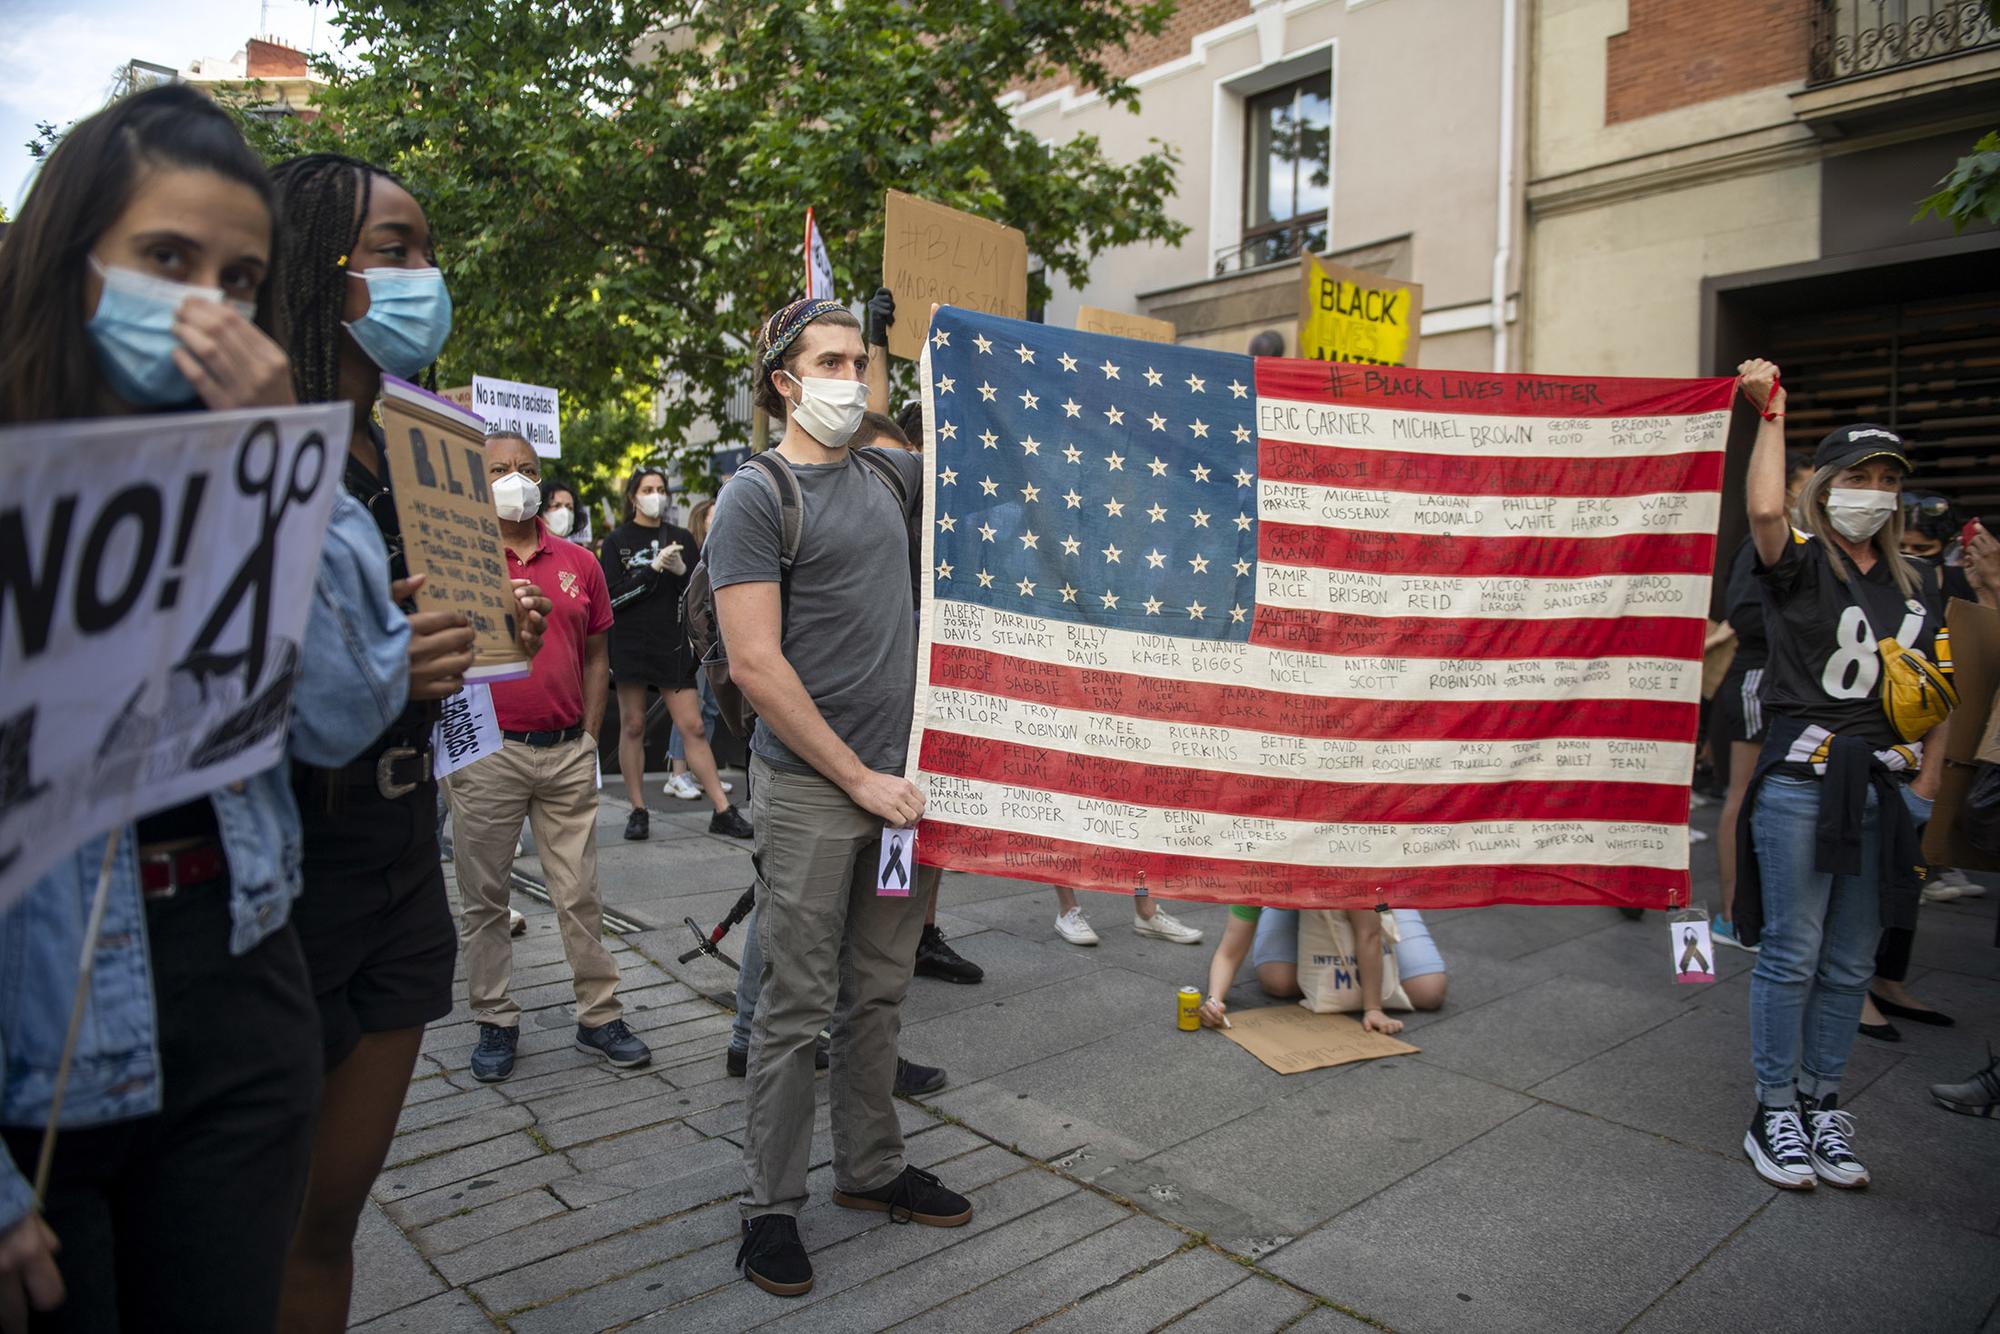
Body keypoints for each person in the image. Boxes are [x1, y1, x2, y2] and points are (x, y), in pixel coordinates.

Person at [0, 86, 415, 1330]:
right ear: (70, 260)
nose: (206, 306)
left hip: (236, 979)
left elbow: (343, 707)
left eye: (239, 280)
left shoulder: (246, 469)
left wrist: (277, 457)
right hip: (39, 1031)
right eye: (166, 260)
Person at [266, 150, 551, 1332]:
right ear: (312, 265)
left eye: (427, 248)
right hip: (289, 865)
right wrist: (362, 653)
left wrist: (496, 623)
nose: (424, 273)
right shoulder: (256, 452)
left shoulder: (423, 444)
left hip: (401, 842)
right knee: (259, 1221)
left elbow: (448, 629)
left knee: (327, 1220)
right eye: (395, 249)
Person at [708, 297, 971, 1298]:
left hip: (899, 795)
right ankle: (770, 1206)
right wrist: (858, 777)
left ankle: (870, 1168)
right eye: (829, 362)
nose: (851, 380)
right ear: (784, 382)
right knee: (794, 1006)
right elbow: (753, 663)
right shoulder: (756, 496)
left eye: (860, 361)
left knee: (880, 990)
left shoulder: (890, 475)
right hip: (816, 793)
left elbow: (992, 471)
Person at [1735, 360, 1952, 1192]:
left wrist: (1925, 790)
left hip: (1883, 790)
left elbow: (1939, 696)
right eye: (1858, 477)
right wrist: (1772, 413)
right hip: (1802, 784)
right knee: (1794, 952)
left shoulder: (1918, 583)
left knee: (1852, 962)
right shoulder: (1798, 561)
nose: (1875, 492)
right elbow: (1764, 509)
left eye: (1888, 481)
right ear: (1825, 487)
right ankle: (1773, 1111)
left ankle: (1822, 1102)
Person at [444, 431, 652, 1083]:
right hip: (488, 754)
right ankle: (495, 1018)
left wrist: (588, 735)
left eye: (527, 469)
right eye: (499, 469)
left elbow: (597, 654)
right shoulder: (458, 557)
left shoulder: (579, 561)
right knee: (484, 895)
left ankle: (599, 1015)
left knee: (580, 892)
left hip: (565, 752)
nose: (516, 479)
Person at [601, 467, 752, 841]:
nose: (656, 495)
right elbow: (613, 598)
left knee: (693, 725)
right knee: (633, 724)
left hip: (672, 644)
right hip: (631, 644)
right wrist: (651, 572)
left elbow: (698, 589)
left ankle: (722, 809)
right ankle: (638, 809)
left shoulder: (681, 537)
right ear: (633, 496)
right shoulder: (617, 541)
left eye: (661, 488)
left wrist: (683, 570)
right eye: (648, 489)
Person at [1709, 451, 1815, 951]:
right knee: (1743, 797)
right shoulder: (1762, 545)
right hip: (1757, 680)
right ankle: (1733, 916)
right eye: (1806, 487)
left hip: (1783, 686)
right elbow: (1746, 616)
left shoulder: (1807, 546)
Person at [1196, 907, 1449, 1033]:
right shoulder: (1261, 866)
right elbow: (1230, 950)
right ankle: (1285, 913)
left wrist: (1373, 1008)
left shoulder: (1348, 847)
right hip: (1294, 906)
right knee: (1279, 980)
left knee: (1427, 991)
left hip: (1378, 896)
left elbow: (1368, 934)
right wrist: (1214, 1000)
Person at [664, 498, 732, 803]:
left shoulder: (722, 548)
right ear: (700, 521)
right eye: (713, 515)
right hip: (698, 641)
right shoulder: (695, 552)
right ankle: (678, 772)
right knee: (692, 709)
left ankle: (699, 771)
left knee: (710, 708)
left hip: (716, 639)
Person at [541, 477, 594, 548]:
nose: (565, 512)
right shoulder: (529, 550)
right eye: (556, 506)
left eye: (570, 508)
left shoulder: (579, 553)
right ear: (541, 511)